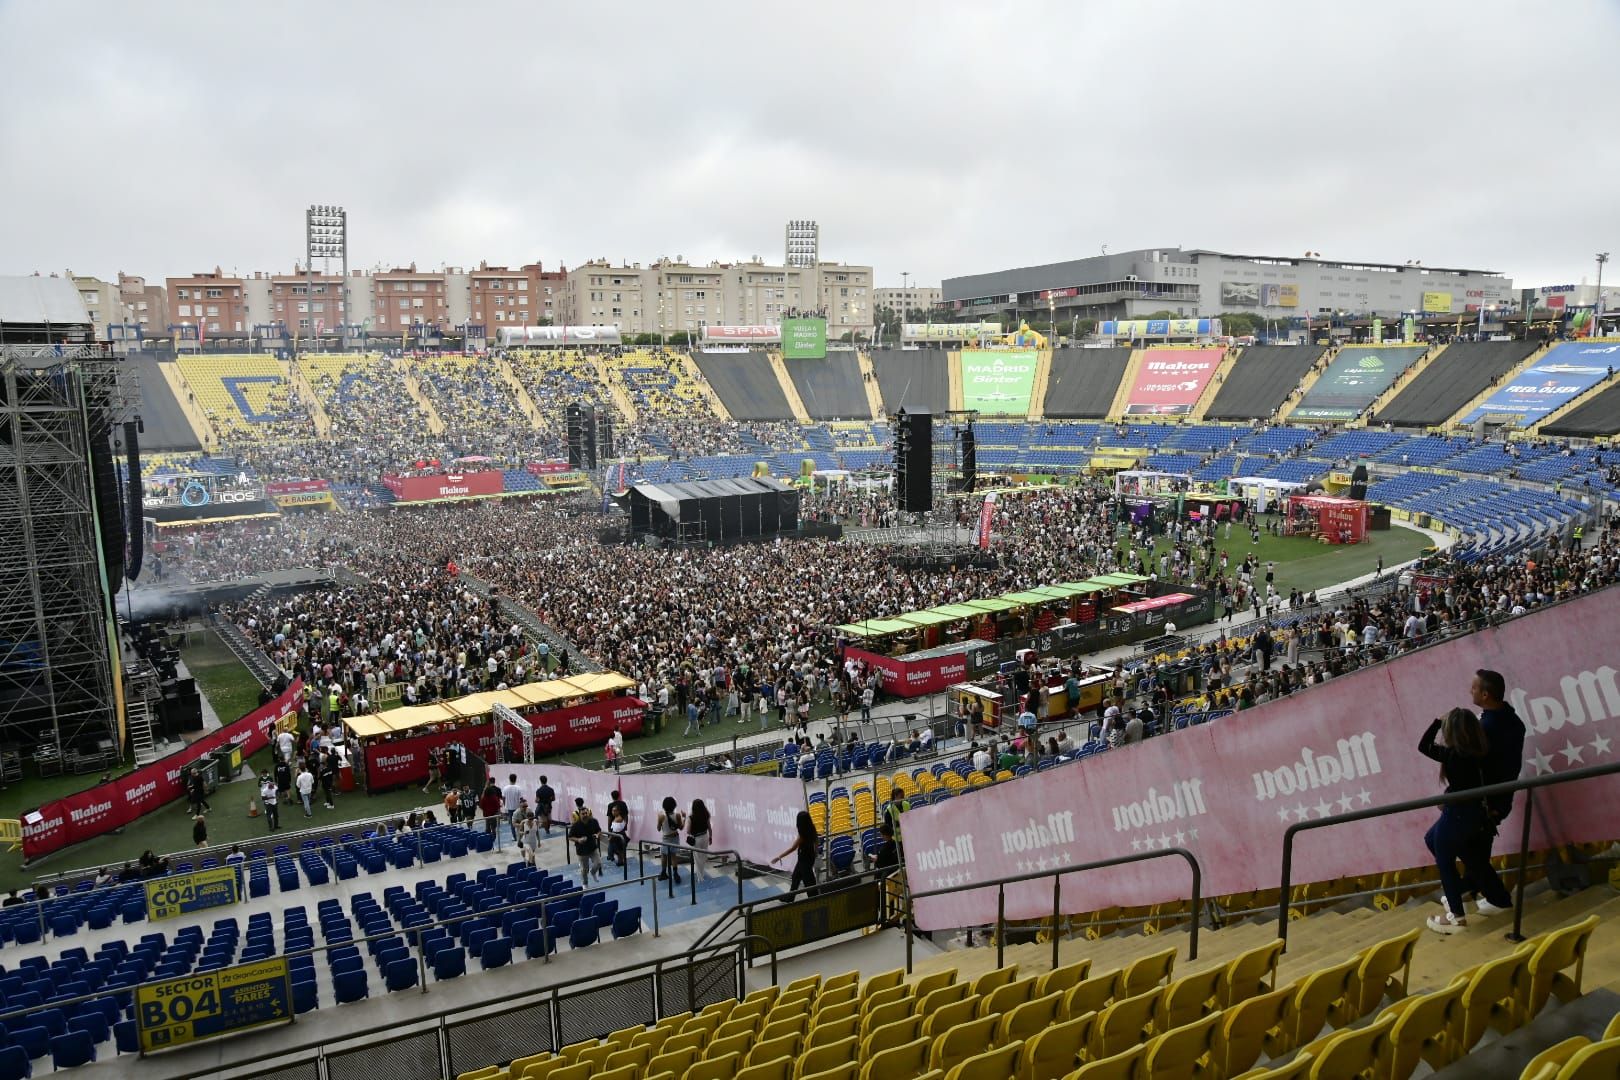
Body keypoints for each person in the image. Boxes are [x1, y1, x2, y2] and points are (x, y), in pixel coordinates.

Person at [1421, 707, 1514, 935]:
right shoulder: (1480, 751)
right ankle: (1489, 897)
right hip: (1475, 814)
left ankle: (1456, 916)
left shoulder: (1454, 755)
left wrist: (1436, 722)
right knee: (1434, 839)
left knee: (1445, 860)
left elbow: (1424, 746)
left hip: (1459, 814)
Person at [773, 811, 819, 897]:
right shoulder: (812, 828)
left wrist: (779, 857)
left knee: (808, 881)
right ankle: (790, 897)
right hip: (809, 857)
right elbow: (816, 841)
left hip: (804, 859)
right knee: (796, 877)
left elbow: (793, 848)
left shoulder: (802, 835)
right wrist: (816, 852)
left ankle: (814, 898)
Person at [569, 803, 603, 882]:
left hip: (593, 848)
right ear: (580, 815)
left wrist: (597, 835)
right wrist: (578, 840)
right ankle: (585, 883)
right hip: (582, 851)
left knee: (598, 863)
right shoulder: (576, 825)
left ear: (588, 813)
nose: (585, 815)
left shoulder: (594, 821)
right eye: (583, 814)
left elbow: (599, 831)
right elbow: (570, 837)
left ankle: (593, 872)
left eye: (586, 813)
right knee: (584, 869)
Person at [657, 796, 686, 883]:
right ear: (674, 806)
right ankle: (675, 873)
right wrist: (684, 818)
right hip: (675, 838)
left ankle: (663, 872)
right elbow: (681, 828)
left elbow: (658, 829)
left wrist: (659, 820)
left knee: (664, 856)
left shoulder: (661, 816)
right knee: (674, 856)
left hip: (665, 838)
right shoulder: (677, 815)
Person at [687, 798, 714, 880]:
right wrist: (710, 837)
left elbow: (688, 831)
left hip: (696, 839)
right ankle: (701, 874)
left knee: (697, 859)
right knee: (703, 857)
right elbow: (710, 827)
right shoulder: (706, 814)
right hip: (705, 836)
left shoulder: (690, 817)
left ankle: (700, 877)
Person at [502, 773, 523, 841]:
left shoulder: (505, 788)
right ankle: (520, 835)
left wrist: (506, 805)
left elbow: (503, 798)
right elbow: (521, 799)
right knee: (520, 822)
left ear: (509, 779)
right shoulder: (518, 788)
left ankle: (514, 837)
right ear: (515, 779)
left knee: (512, 823)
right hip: (517, 807)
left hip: (510, 808)